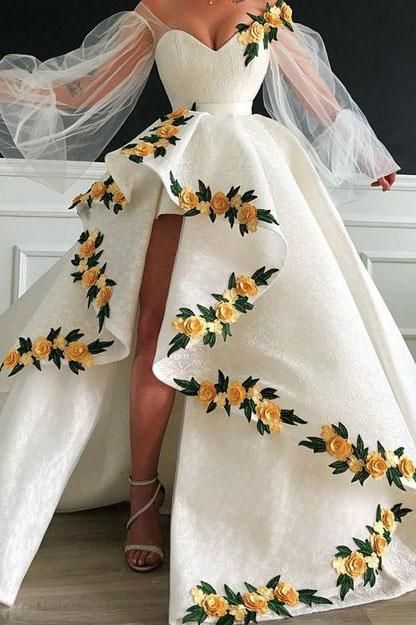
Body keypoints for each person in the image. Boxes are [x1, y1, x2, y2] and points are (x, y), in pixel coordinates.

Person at [0, 1, 415, 622]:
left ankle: (252, 508)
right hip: (178, 169)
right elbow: (80, 93)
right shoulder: (154, 10)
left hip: (257, 176)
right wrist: (14, 88)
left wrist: (370, 156)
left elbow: (320, 99)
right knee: (154, 337)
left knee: (278, 342)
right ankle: (143, 497)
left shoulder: (269, 11)